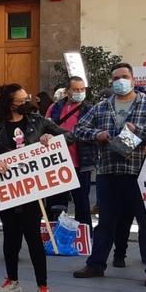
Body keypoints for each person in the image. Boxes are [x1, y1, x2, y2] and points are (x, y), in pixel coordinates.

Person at [0, 85, 69, 292]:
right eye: (22, 100)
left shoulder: (38, 121)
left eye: (27, 98)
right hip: (7, 189)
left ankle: (43, 286)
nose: (27, 102)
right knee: (11, 237)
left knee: (33, 237)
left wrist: (50, 138)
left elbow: (68, 137)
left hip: (31, 190)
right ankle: (12, 280)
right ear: (10, 103)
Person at [72, 62, 146, 286]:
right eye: (116, 78)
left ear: (134, 80)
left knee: (145, 223)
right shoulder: (102, 106)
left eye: (124, 76)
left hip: (139, 172)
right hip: (108, 171)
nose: (120, 81)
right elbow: (79, 129)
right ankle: (96, 264)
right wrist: (97, 134)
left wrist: (141, 132)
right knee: (105, 221)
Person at [46, 77, 95, 226]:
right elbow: (45, 126)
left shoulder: (90, 109)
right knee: (56, 204)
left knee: (82, 204)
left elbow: (92, 132)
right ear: (67, 91)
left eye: (82, 89)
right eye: (75, 89)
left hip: (81, 163)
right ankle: (55, 237)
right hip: (58, 163)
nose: (79, 92)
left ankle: (85, 237)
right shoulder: (55, 108)